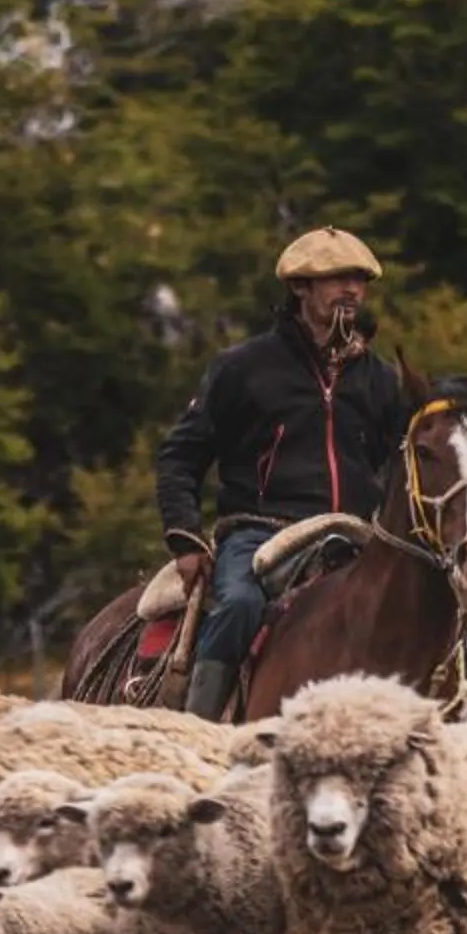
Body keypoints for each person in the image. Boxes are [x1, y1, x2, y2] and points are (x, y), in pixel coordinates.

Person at [154, 228, 411, 717]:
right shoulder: (243, 368)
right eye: (336, 278)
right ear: (300, 288)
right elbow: (180, 455)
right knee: (238, 607)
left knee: (428, 612)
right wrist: (186, 538)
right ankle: (196, 731)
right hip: (259, 533)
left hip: (354, 535)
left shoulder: (381, 380)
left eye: (360, 279)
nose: (352, 289)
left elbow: (401, 466)